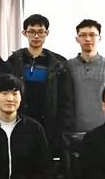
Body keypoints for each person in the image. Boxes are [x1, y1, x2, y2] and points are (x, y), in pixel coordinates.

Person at [0, 74, 53, 178]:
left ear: (21, 97)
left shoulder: (34, 128)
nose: (10, 99)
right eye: (4, 93)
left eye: (15, 94)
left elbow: (44, 167)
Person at [6, 14, 74, 147]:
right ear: (24, 33)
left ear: (47, 33)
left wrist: (62, 128)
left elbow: (66, 99)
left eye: (40, 32)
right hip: (20, 119)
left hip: (49, 124)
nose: (36, 36)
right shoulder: (14, 61)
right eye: (31, 32)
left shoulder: (59, 63)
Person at [65, 19, 105, 132]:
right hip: (73, 131)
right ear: (77, 39)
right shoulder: (67, 66)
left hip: (104, 131)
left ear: (99, 38)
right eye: (83, 35)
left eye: (92, 35)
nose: (88, 39)